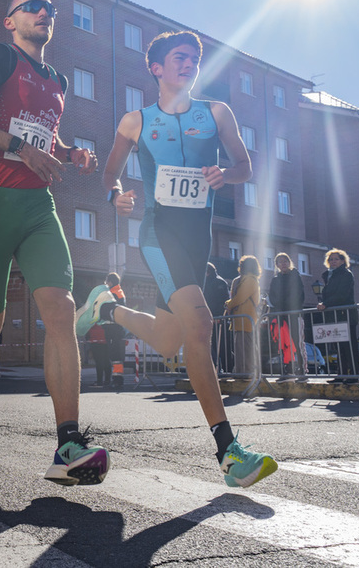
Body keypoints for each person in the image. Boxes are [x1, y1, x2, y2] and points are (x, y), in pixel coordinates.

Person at [86, 29, 276, 488]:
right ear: (156, 67)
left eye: (194, 57)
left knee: (169, 340)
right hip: (158, 234)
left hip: (199, 238)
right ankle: (228, 451)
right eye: (179, 57)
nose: (189, 63)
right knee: (201, 324)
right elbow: (111, 173)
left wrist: (225, 175)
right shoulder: (136, 120)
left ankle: (106, 309)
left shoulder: (216, 112)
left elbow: (245, 166)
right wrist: (117, 197)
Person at [0, 0, 109, 486]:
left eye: (50, 11)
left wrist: (70, 151)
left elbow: (45, 139)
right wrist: (18, 147)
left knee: (60, 309)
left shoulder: (57, 80)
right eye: (34, 7)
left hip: (40, 207)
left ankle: (68, 442)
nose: (44, 14)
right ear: (11, 21)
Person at [316, 248, 359, 384]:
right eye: (331, 259)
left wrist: (325, 303)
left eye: (336, 259)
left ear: (342, 261)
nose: (333, 262)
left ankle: (353, 376)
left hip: (345, 314)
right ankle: (341, 374)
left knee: (349, 347)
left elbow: (342, 295)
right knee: (339, 347)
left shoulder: (346, 274)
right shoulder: (329, 275)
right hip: (334, 316)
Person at [268, 253, 306, 381]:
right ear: (277, 265)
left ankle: (301, 370)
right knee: (283, 344)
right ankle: (287, 370)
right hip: (281, 315)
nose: (283, 264)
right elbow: (272, 296)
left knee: (297, 342)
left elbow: (298, 294)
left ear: (289, 262)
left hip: (293, 313)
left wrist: (287, 306)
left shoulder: (295, 276)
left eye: (285, 261)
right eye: (280, 262)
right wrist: (279, 307)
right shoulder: (275, 279)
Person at [224, 255, 261, 376]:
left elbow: (240, 297)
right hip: (241, 319)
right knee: (241, 347)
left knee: (245, 347)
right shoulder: (242, 279)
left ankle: (246, 372)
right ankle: (241, 371)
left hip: (245, 318)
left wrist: (228, 305)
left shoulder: (250, 280)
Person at [203, 262, 232, 374]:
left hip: (218, 319)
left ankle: (227, 369)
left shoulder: (219, 282)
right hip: (211, 318)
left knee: (223, 347)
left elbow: (222, 301)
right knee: (214, 346)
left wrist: (219, 315)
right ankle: (217, 370)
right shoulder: (209, 282)